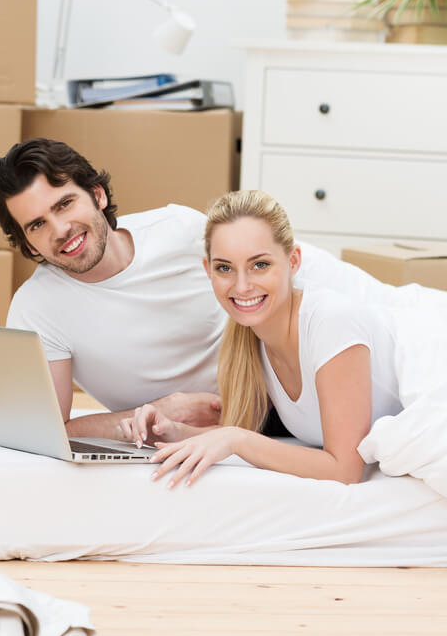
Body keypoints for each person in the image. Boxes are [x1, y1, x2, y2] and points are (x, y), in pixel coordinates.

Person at [122, 190, 404, 487]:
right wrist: (173, 431)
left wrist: (237, 440)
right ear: (208, 271)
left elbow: (345, 470)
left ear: (293, 261)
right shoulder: (253, 337)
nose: (242, 286)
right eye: (225, 268)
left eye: (260, 265)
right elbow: (239, 433)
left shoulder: (330, 322)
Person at [0, 138, 227, 441]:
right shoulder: (36, 307)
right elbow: (42, 431)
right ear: (28, 242)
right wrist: (158, 411)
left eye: (64, 205)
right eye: (37, 225)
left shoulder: (181, 229)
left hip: (285, 396)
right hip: (204, 437)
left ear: (97, 195)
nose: (59, 230)